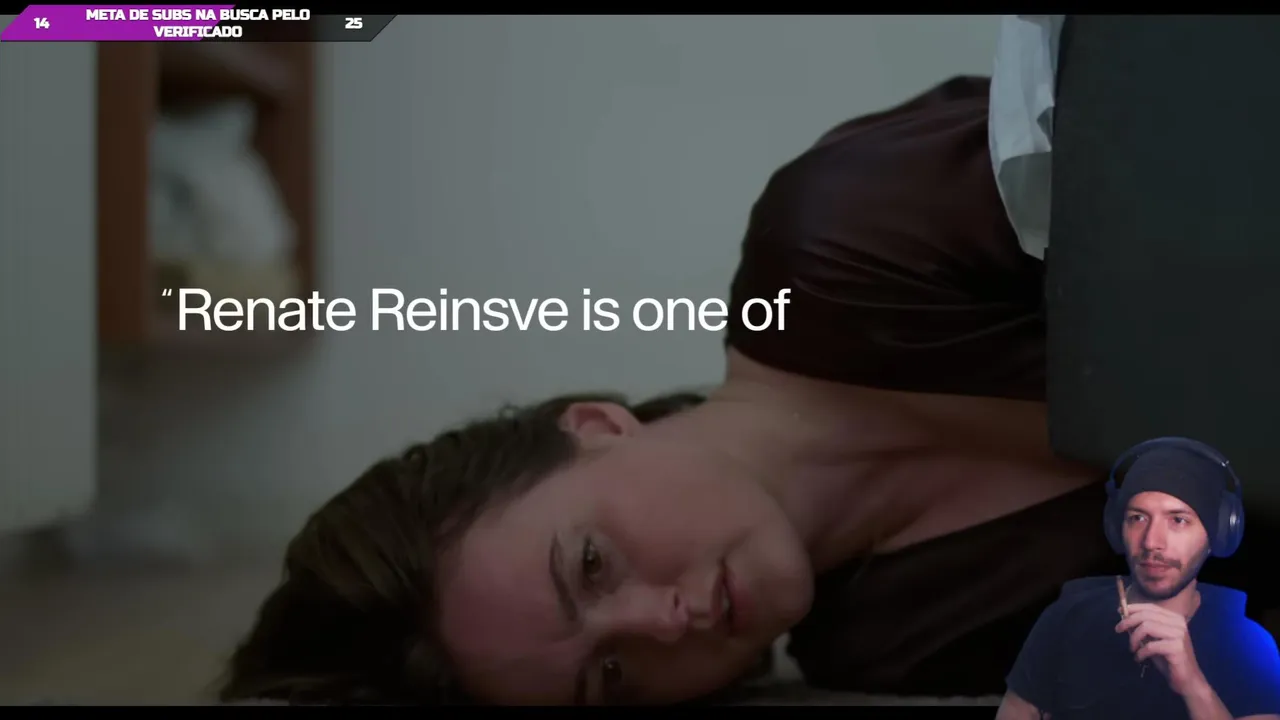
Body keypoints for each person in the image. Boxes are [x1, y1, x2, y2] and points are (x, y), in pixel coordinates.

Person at [217, 76, 1274, 706]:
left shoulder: (847, 238)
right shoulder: (890, 642)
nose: (661, 625)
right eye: (610, 682)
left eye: (591, 565)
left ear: (595, 426)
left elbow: (1222, 135)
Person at [996, 438, 1280, 720]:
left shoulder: (1250, 646)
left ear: (1216, 535)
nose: (1151, 542)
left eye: (1178, 520)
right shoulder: (1066, 618)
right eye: (1138, 518)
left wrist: (1193, 685)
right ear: (1117, 528)